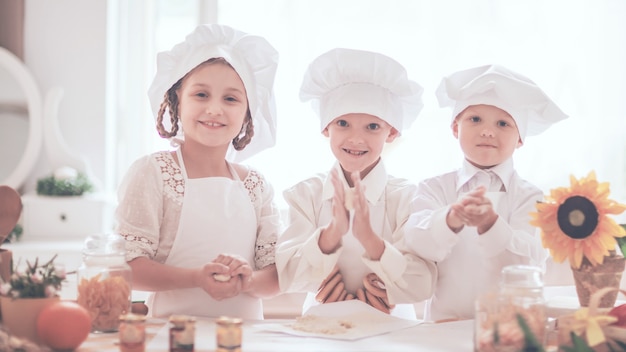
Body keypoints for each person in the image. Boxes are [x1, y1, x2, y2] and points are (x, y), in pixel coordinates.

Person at [114, 24, 281, 320]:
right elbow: (129, 267)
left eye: (231, 99)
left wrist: (247, 281)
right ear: (177, 102)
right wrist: (197, 279)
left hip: (246, 337)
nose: (215, 109)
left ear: (247, 114)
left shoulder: (256, 186)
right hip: (172, 335)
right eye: (201, 94)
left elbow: (276, 276)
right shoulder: (152, 173)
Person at [276, 48, 437, 320]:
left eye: (372, 127)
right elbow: (287, 274)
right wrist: (332, 233)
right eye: (343, 123)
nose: (356, 139)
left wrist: (370, 239)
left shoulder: (409, 197)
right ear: (326, 128)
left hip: (393, 326)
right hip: (321, 324)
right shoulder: (305, 195)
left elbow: (422, 283)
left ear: (392, 132)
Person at [404, 64, 568, 322]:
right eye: (475, 119)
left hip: (507, 331)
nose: (487, 131)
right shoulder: (434, 188)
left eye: (503, 123)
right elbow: (416, 242)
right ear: (455, 128)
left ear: (520, 139)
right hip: (443, 330)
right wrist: (450, 219)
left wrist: (491, 224)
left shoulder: (530, 196)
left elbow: (529, 262)